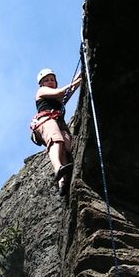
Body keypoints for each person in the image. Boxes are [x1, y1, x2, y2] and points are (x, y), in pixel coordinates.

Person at [31, 67, 82, 195]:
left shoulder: (58, 99)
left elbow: (70, 90)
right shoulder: (41, 91)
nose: (50, 81)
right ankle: (58, 168)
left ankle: (62, 182)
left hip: (58, 122)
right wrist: (76, 82)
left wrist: (82, 71)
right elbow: (61, 92)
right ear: (41, 83)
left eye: (52, 79)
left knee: (68, 146)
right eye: (47, 80)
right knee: (56, 139)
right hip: (46, 120)